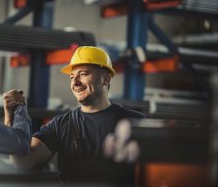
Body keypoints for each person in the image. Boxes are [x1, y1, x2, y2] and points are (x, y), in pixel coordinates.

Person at [10, 46, 145, 184]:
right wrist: (12, 118)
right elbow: (23, 162)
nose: (75, 82)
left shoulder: (134, 122)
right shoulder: (60, 124)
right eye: (72, 77)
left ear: (105, 79)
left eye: (83, 74)